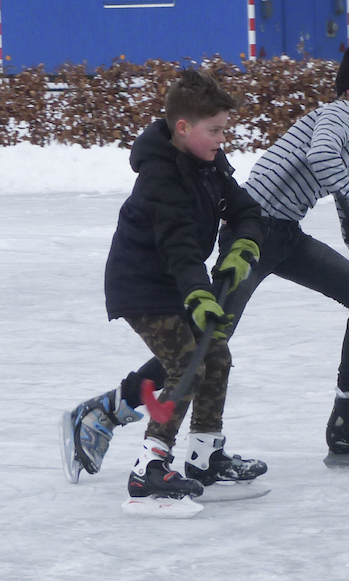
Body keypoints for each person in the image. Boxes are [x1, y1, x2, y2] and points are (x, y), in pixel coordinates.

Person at [61, 42, 349, 483]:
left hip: (283, 235)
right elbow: (322, 157)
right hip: (252, 236)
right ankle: (109, 410)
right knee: (206, 341)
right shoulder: (339, 116)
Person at [67, 67, 267, 502]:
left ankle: (205, 455)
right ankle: (149, 467)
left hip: (175, 280)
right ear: (183, 127)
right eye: (214, 130)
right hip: (141, 285)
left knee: (216, 356)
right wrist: (198, 293)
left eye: (224, 130)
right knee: (187, 367)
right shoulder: (160, 176)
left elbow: (247, 210)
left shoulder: (209, 164)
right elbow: (178, 243)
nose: (222, 139)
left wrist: (242, 247)